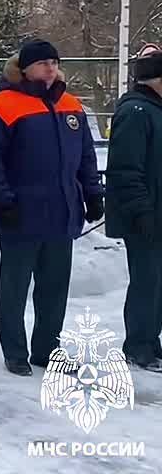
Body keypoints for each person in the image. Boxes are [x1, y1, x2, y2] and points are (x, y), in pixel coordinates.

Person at [0, 40, 102, 376]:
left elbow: (86, 157)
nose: (50, 68)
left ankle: (47, 348)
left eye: (54, 62)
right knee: (15, 287)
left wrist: (92, 193)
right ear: (25, 68)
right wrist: (2, 200)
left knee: (54, 286)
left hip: (62, 211)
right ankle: (14, 350)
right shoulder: (0, 107)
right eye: (43, 62)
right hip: (21, 210)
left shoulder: (70, 105)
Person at [106, 47, 162, 373]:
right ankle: (138, 344)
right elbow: (126, 170)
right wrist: (141, 212)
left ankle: (151, 340)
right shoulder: (136, 112)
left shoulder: (154, 110)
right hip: (145, 214)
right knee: (146, 281)